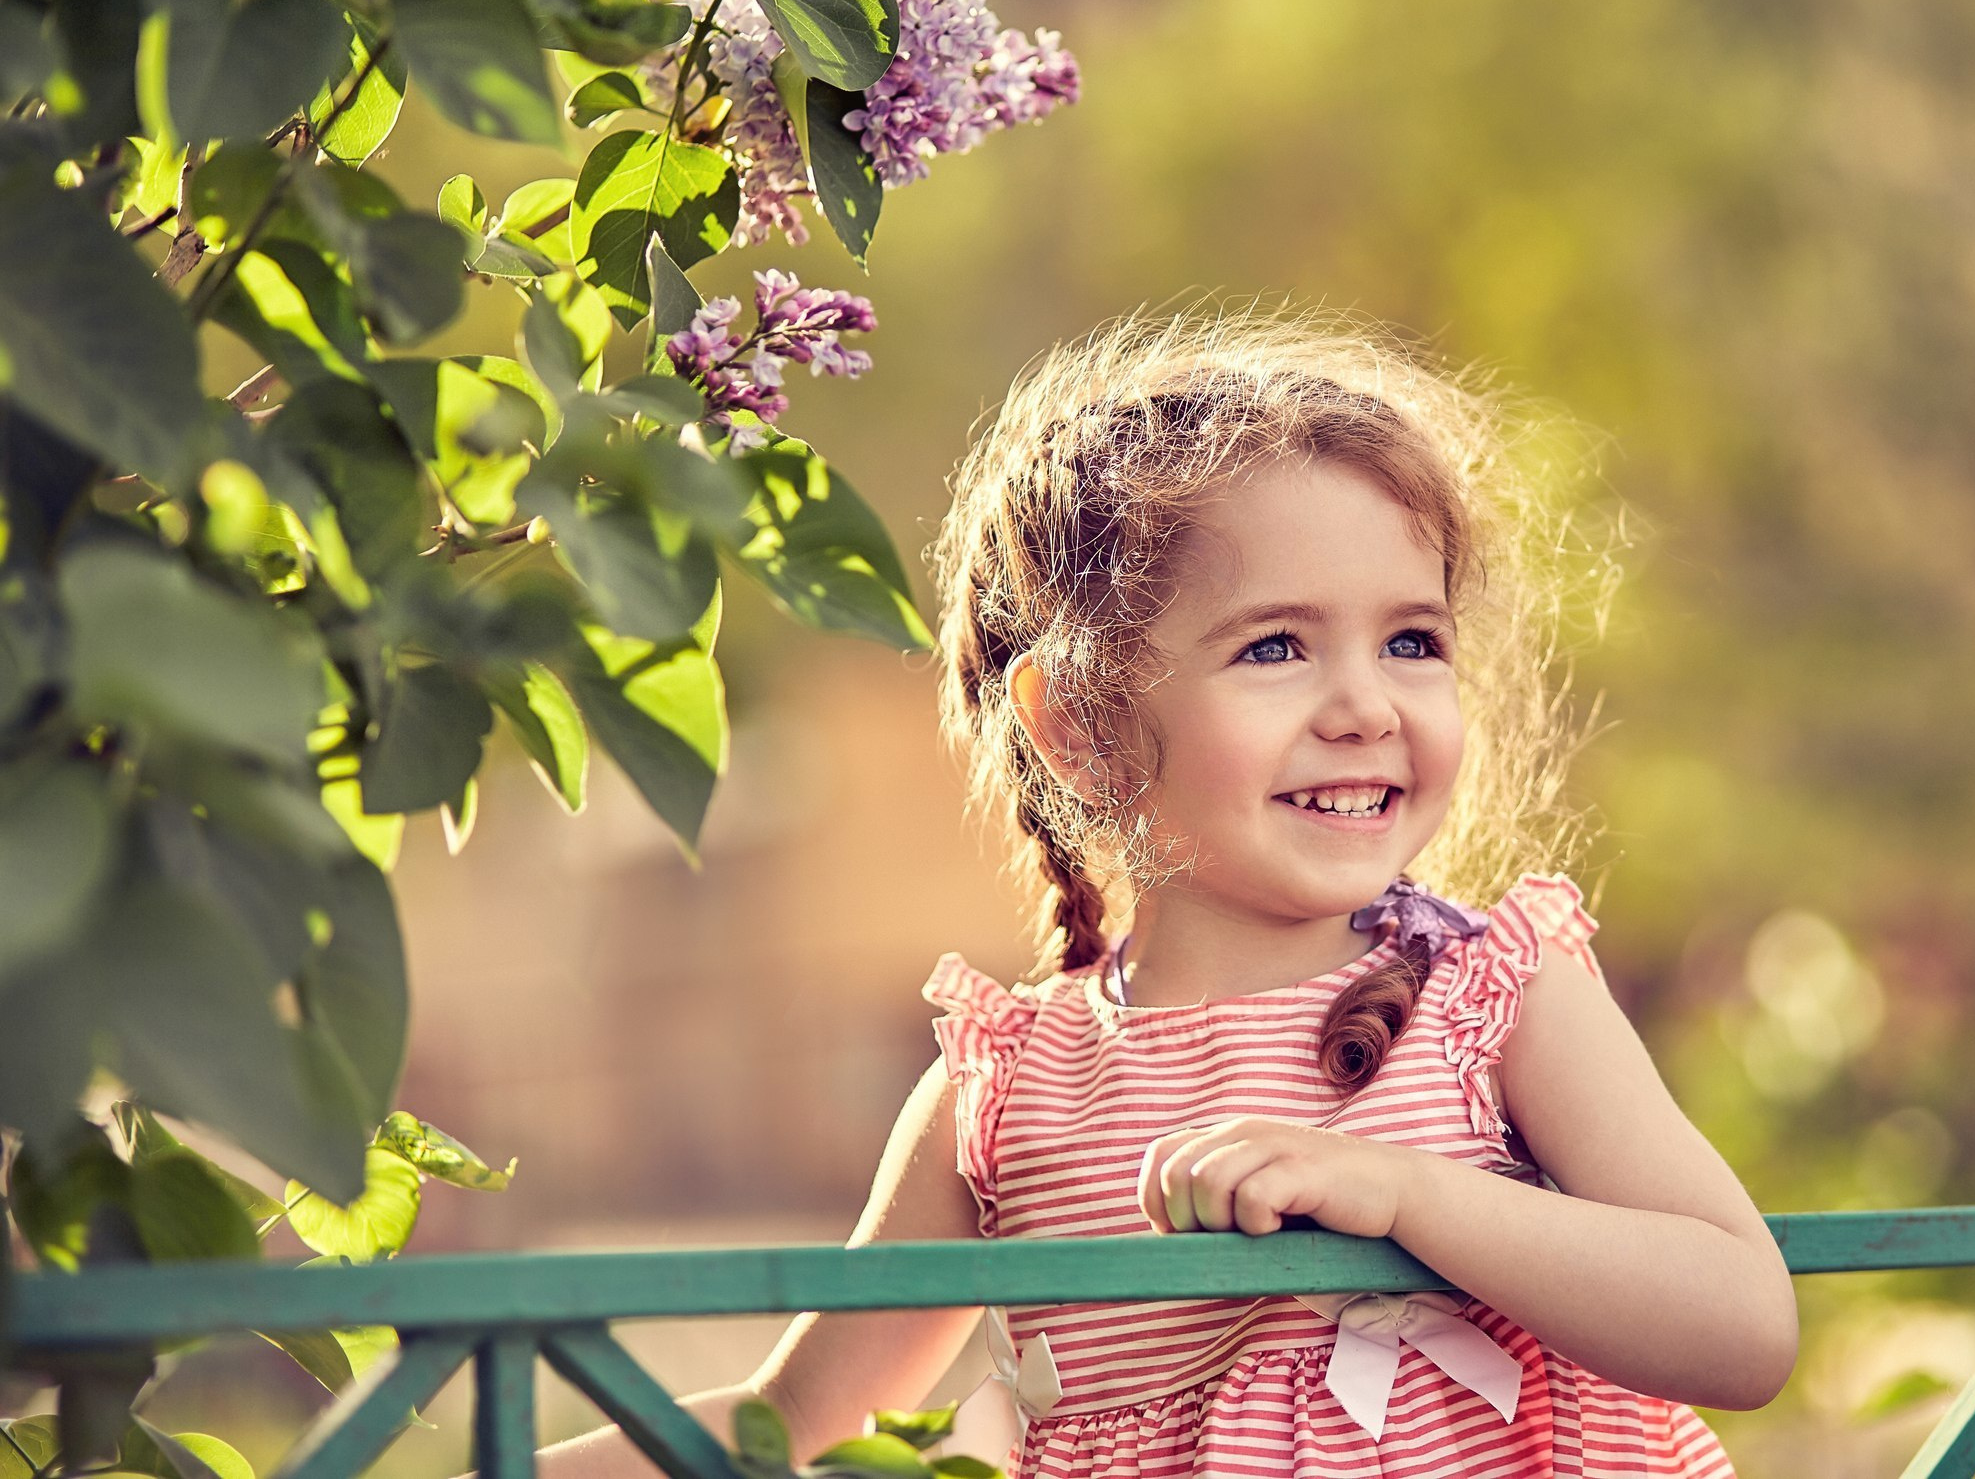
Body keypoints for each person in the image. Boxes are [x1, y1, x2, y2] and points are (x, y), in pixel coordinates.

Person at [536, 308, 1796, 1478]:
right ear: (1077, 724)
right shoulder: (1005, 1093)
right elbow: (789, 1422)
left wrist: (1408, 1196)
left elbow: (1741, 1326)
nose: (1365, 706)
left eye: (1412, 641)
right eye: (1275, 647)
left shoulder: (1493, 1000)